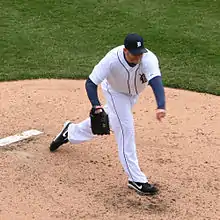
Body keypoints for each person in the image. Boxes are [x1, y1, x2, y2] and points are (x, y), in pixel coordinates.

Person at [49, 33, 166, 196]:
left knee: (111, 121)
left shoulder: (148, 59)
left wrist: (161, 105)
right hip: (115, 93)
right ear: (125, 50)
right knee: (126, 130)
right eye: (134, 54)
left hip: (134, 94)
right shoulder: (111, 59)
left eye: (140, 53)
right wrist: (96, 105)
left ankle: (70, 132)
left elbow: (156, 81)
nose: (138, 57)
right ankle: (136, 179)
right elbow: (91, 83)